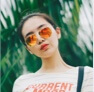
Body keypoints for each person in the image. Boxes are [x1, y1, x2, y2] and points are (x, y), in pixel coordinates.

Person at [12, 13, 93, 92]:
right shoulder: (22, 83)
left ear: (57, 32)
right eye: (31, 39)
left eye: (44, 31)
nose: (40, 39)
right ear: (28, 49)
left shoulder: (86, 75)